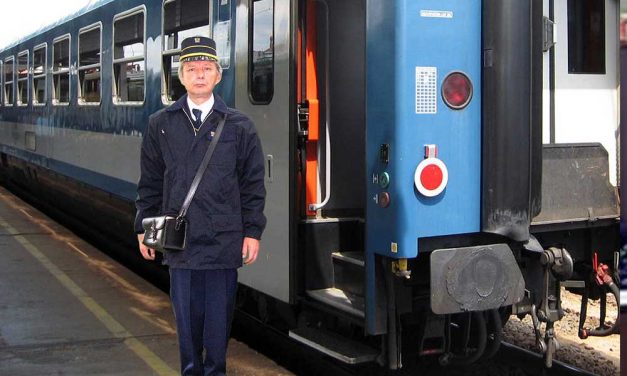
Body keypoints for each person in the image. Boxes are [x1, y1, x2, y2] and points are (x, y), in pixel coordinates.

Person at [134, 36, 266, 376]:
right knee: (187, 329)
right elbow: (149, 183)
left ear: (218, 76)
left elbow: (252, 186)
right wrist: (143, 228)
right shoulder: (160, 124)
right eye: (191, 69)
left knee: (218, 328)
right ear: (181, 76)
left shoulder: (240, 127)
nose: (199, 75)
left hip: (223, 241)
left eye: (207, 68)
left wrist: (253, 231)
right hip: (181, 243)